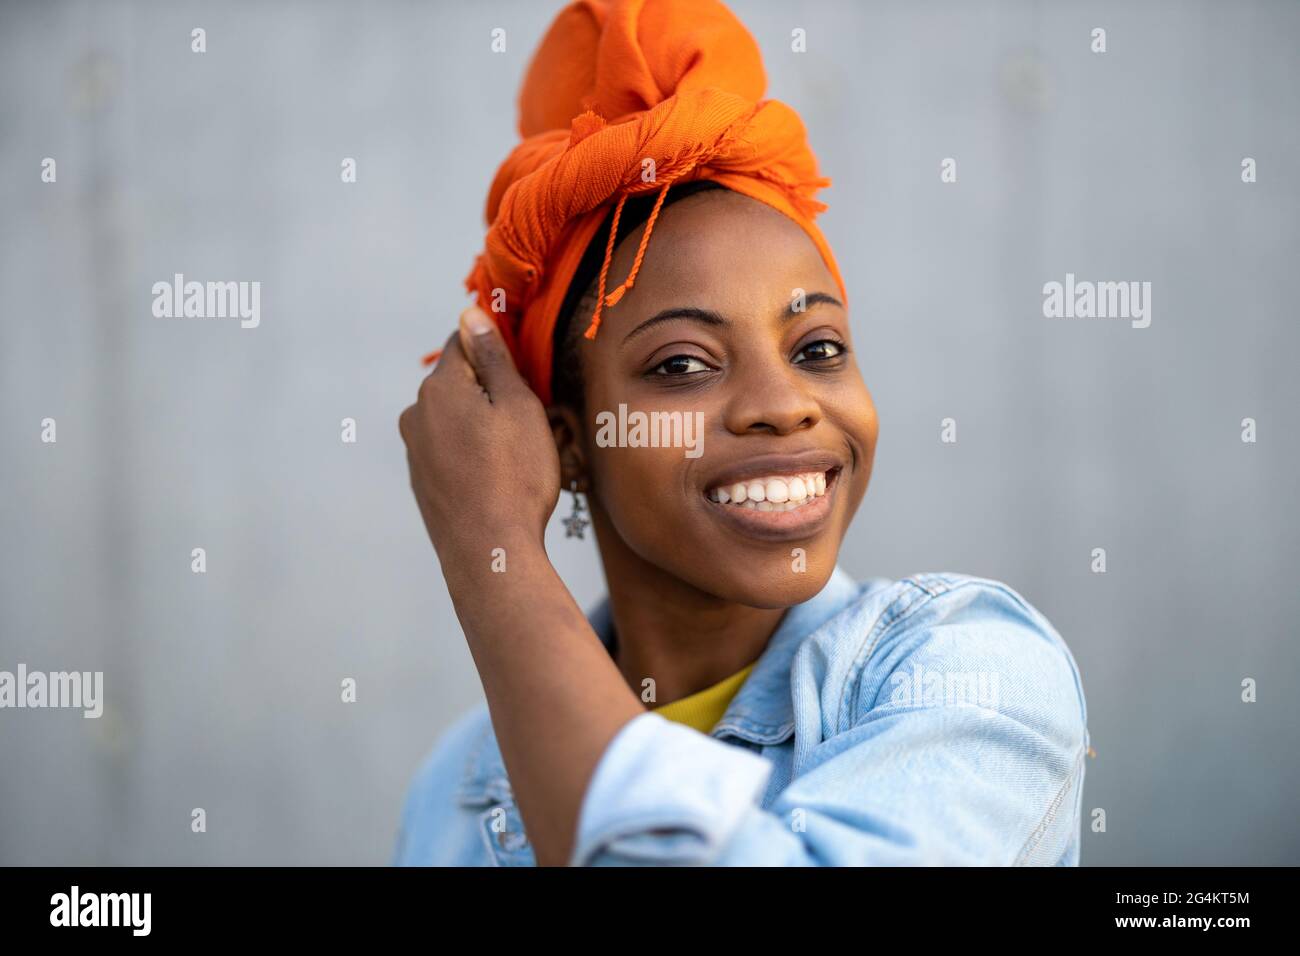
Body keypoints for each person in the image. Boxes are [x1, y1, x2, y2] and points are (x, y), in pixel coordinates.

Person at [393, 0, 1089, 866]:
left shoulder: (970, 674)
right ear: (564, 444)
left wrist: (489, 552)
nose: (786, 403)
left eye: (819, 347)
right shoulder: (457, 791)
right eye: (683, 364)